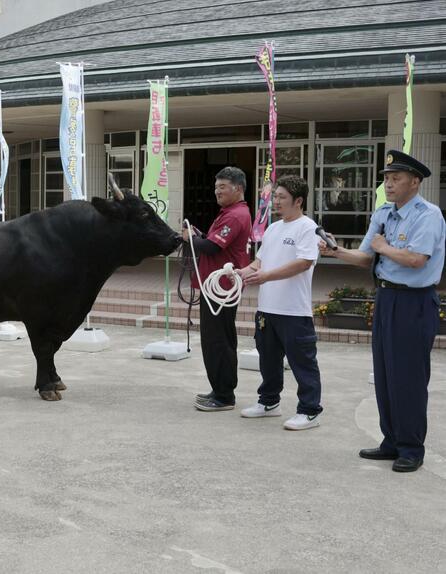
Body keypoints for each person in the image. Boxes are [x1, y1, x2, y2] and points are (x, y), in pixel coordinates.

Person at [320, 150, 444, 472]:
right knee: (386, 374)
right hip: (386, 298)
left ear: (415, 182)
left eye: (396, 178)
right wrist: (335, 251)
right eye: (386, 178)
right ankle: (391, 441)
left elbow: (418, 259)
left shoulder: (427, 215)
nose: (388, 184)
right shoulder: (384, 213)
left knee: (409, 377)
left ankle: (411, 448)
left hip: (414, 302)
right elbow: (365, 257)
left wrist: (383, 248)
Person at [236, 175, 323, 430]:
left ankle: (309, 410)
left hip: (294, 310)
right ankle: (269, 402)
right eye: (275, 196)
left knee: (302, 362)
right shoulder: (273, 228)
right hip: (267, 308)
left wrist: (265, 276)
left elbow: (303, 262)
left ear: (299, 200)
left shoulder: (308, 227)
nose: (276, 201)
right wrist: (244, 271)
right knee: (268, 359)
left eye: (281, 197)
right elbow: (260, 261)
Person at [182, 166, 252, 411]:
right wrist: (198, 235)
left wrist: (189, 238)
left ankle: (224, 396)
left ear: (238, 188)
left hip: (220, 291)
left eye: (223, 187)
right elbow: (213, 243)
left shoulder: (235, 215)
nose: (217, 192)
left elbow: (211, 248)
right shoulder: (230, 213)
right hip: (216, 288)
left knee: (218, 341)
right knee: (217, 340)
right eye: (216, 187)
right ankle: (220, 389)